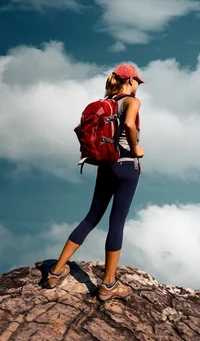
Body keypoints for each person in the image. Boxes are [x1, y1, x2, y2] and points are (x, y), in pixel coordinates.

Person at [44, 63, 145, 301]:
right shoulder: (131, 102)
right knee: (116, 222)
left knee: (91, 217)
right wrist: (135, 148)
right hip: (127, 165)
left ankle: (55, 272)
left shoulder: (105, 104)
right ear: (129, 81)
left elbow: (79, 128)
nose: (138, 86)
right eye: (137, 82)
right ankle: (108, 285)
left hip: (106, 165)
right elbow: (130, 124)